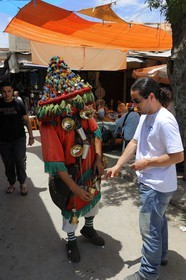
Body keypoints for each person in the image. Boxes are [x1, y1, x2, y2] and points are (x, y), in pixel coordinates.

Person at [105, 77, 184, 280]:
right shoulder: (145, 116)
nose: (134, 106)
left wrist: (146, 163)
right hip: (152, 183)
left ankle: (148, 274)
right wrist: (118, 165)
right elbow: (134, 142)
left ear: (150, 97)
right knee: (159, 222)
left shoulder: (165, 120)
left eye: (137, 101)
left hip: (156, 186)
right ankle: (162, 256)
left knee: (149, 231)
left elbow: (178, 156)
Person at [37, 56, 105, 263]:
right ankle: (71, 240)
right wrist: (74, 188)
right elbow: (55, 162)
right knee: (71, 209)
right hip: (70, 177)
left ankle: (89, 229)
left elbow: (96, 133)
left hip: (90, 171)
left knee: (93, 202)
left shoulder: (82, 111)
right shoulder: (49, 123)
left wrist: (99, 159)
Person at [0, 82, 35, 195]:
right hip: (4, 140)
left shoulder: (19, 103)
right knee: (8, 163)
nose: (6, 94)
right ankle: (11, 183)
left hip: (19, 138)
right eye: (4, 92)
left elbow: (27, 120)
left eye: (9, 91)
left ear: (12, 91)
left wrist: (31, 136)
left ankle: (22, 183)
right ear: (1, 92)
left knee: (20, 160)